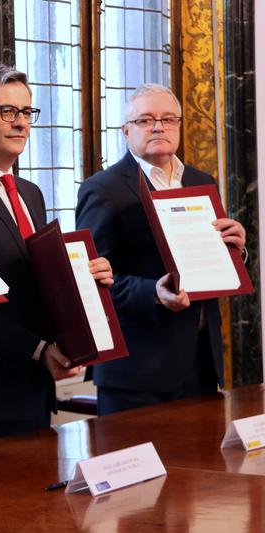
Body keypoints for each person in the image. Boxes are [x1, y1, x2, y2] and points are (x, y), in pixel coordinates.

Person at [0, 63, 114, 448]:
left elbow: (38, 280)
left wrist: (84, 277)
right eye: (7, 111)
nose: (20, 123)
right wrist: (38, 350)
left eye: (26, 112)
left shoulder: (30, 193)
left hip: (33, 388)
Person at [75, 83, 245, 415]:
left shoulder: (201, 181)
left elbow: (211, 262)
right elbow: (93, 281)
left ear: (180, 126)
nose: (158, 126)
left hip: (200, 364)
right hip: (137, 372)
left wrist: (236, 249)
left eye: (168, 119)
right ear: (126, 130)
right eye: (145, 120)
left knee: (202, 468)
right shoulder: (103, 190)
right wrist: (152, 292)